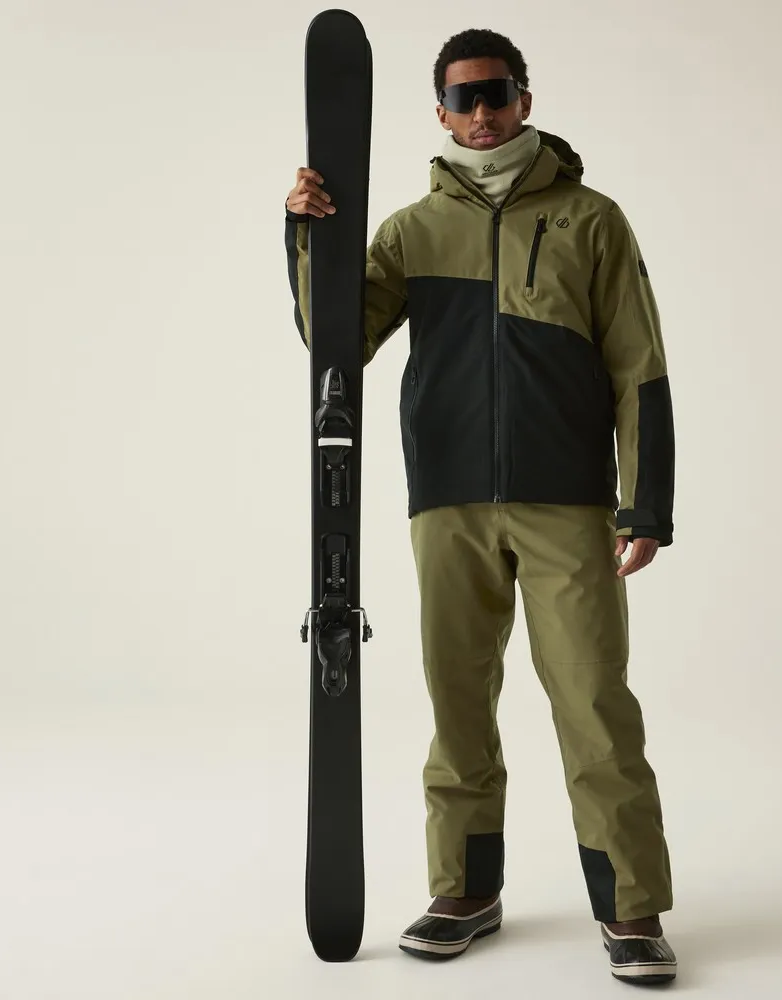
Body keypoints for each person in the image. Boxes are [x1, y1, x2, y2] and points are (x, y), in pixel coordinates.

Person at [284, 27, 677, 986]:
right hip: (448, 499)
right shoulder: (412, 231)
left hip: (567, 503)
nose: (484, 111)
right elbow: (336, 341)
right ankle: (464, 891)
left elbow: (640, 365)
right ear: (442, 114)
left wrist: (646, 504)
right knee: (457, 705)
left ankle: (631, 909)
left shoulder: (590, 219)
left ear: (524, 99)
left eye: (498, 92)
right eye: (465, 98)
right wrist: (308, 235)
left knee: (594, 704)